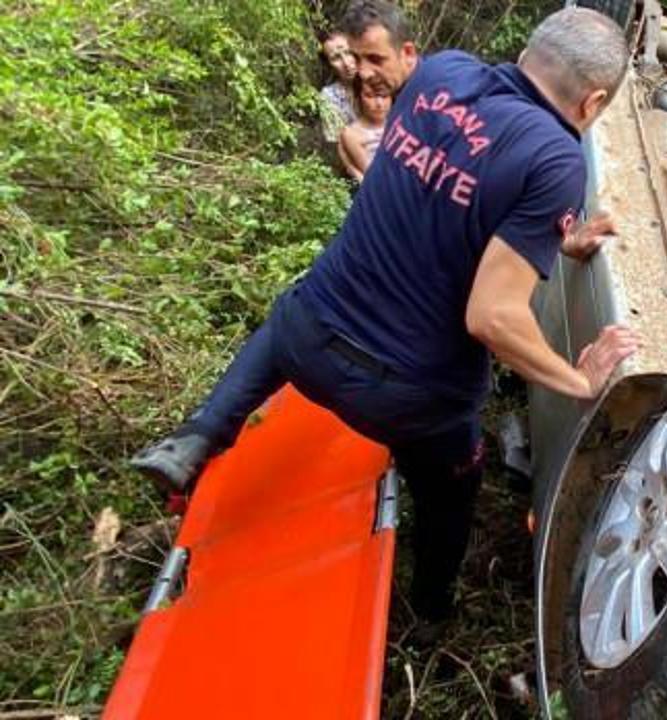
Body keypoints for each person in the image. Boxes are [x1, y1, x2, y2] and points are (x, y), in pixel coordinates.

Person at [130, 2, 637, 635]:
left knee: (292, 308)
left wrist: (555, 237)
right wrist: (577, 379)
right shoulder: (555, 159)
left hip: (304, 344)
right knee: (455, 483)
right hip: (408, 397)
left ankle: (200, 434)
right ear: (590, 104)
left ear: (529, 52)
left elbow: (446, 193)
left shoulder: (439, 74)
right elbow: (493, 316)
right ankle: (430, 610)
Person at [338, 76, 391, 182]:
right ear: (358, 97)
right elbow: (374, 175)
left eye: (384, 96)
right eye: (370, 96)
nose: (379, 104)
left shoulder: (400, 123)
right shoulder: (352, 133)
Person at [318, 29, 358, 144]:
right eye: (336, 58)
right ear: (329, 65)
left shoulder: (377, 79)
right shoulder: (329, 96)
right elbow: (337, 142)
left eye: (348, 52)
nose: (346, 63)